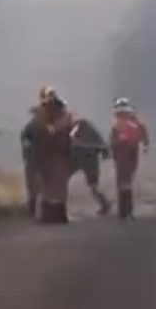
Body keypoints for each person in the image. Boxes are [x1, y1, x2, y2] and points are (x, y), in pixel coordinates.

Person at [27, 85, 77, 224]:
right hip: (46, 155)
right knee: (48, 186)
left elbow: (67, 127)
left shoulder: (56, 114)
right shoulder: (40, 116)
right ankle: (50, 215)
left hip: (57, 154)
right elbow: (30, 134)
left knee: (56, 186)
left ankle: (57, 215)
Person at [109, 97, 150, 219]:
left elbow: (113, 140)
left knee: (124, 182)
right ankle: (126, 211)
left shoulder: (123, 125)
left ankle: (125, 211)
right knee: (126, 181)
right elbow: (143, 134)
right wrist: (145, 145)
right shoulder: (133, 123)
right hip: (125, 154)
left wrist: (145, 145)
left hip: (125, 154)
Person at [69, 117, 112, 216]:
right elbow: (99, 142)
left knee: (93, 185)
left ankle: (105, 204)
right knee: (93, 185)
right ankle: (105, 204)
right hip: (79, 158)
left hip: (87, 159)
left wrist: (105, 152)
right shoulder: (76, 129)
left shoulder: (80, 128)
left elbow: (99, 142)